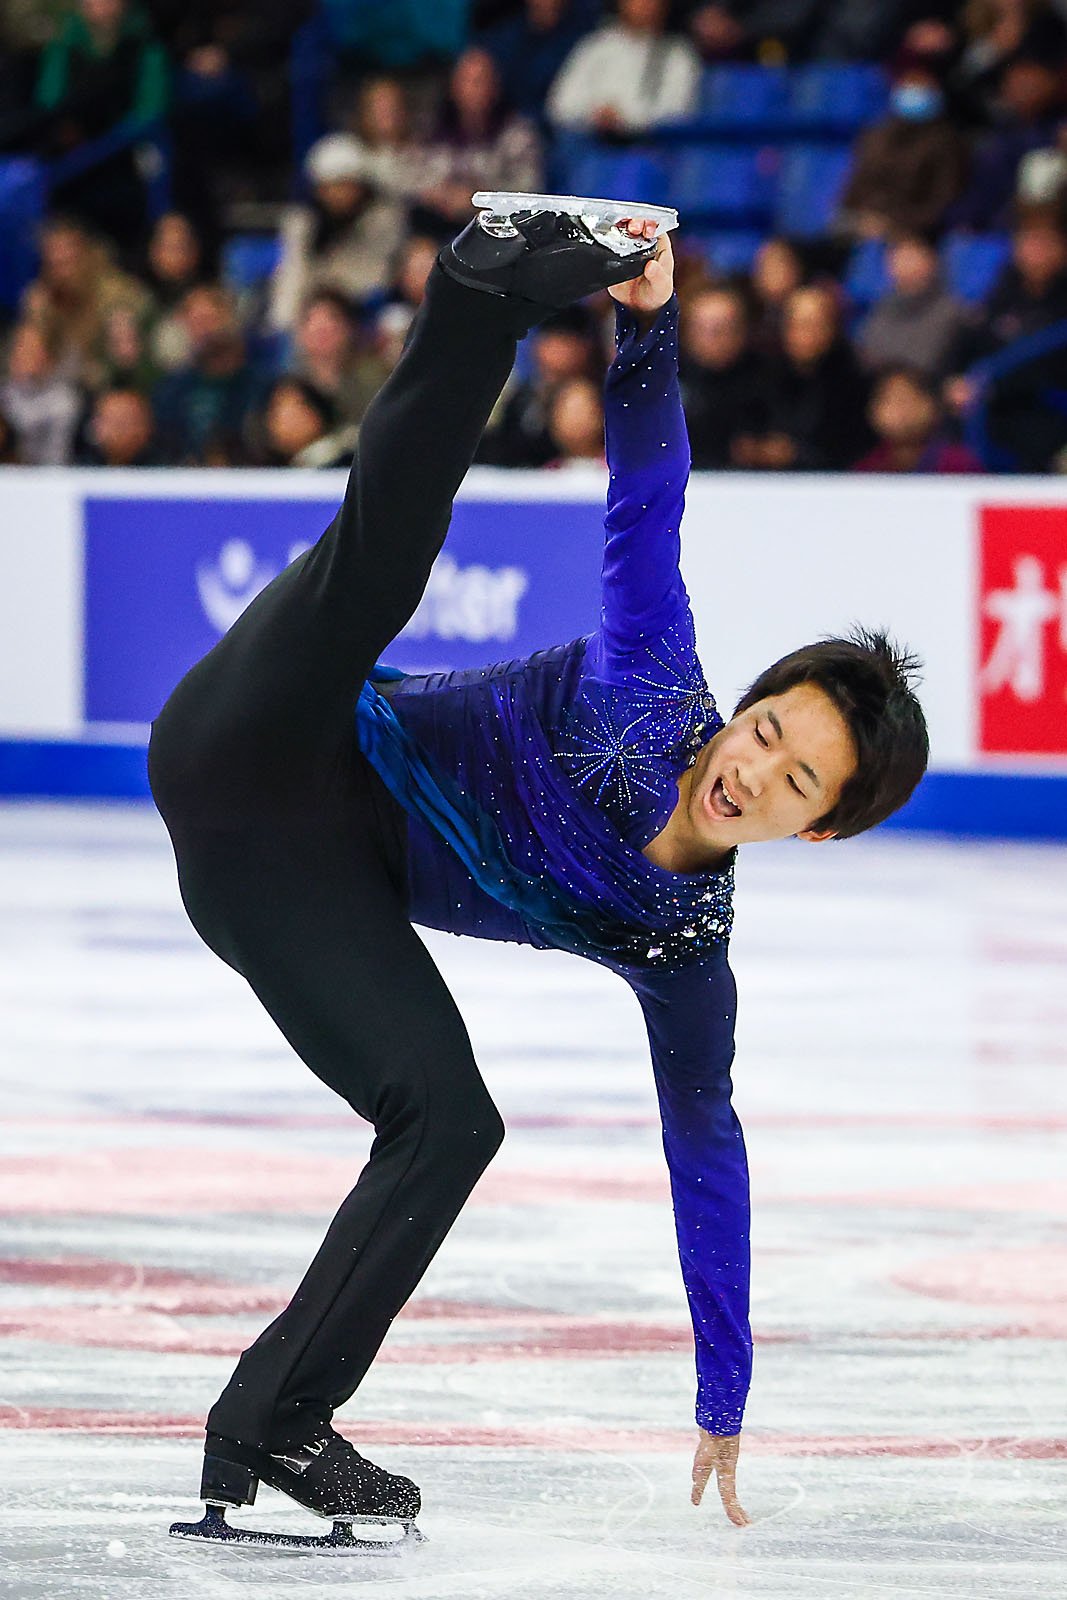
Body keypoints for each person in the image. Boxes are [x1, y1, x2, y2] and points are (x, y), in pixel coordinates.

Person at [149, 201, 928, 1544]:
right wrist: (643, 329)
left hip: (287, 880)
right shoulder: (649, 680)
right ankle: (480, 286)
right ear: (742, 706)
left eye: (792, 781)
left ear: (817, 828)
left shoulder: (679, 945)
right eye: (762, 731)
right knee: (380, 563)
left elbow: (706, 1153)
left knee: (451, 1122)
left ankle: (274, 1419)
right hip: (266, 726)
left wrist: (722, 1391)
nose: (746, 769)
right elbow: (647, 495)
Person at [268, 134, 407, 334]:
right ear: (318, 189)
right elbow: (292, 272)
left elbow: (376, 280)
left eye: (346, 184)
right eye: (331, 186)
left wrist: (332, 302)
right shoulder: (303, 223)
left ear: (362, 186)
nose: (339, 194)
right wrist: (282, 326)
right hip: (312, 311)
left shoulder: (383, 220)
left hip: (365, 312)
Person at [739, 284, 874, 469]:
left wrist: (796, 454)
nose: (805, 334)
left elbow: (852, 448)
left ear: (832, 328)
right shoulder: (763, 375)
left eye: (815, 324)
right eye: (798, 324)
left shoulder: (854, 382)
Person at [415, 46, 544, 237]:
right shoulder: (433, 131)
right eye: (466, 81)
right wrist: (441, 194)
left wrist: (477, 199)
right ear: (454, 86)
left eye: (480, 81)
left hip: (499, 232)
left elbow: (530, 191)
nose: (474, 89)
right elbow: (411, 177)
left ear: (495, 86)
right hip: (437, 225)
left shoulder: (519, 134)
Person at [838, 58, 969, 239]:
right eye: (910, 85)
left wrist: (891, 223)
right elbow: (854, 189)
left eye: (922, 86)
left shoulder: (947, 142)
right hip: (861, 226)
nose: (914, 91)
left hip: (911, 234)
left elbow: (942, 202)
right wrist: (857, 218)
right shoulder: (875, 135)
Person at [547, 0, 701, 135]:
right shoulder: (596, 45)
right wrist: (594, 114)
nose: (644, 4)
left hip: (650, 150)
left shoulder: (678, 54)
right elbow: (560, 106)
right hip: (590, 145)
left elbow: (678, 113)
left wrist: (624, 119)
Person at [855, 231, 968, 381]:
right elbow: (864, 351)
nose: (900, 261)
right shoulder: (883, 303)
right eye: (896, 252)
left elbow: (924, 363)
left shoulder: (951, 311)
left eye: (910, 254)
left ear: (933, 259)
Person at [678, 284, 769, 470]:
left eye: (723, 329)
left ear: (742, 331)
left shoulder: (767, 381)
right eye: (705, 330)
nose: (715, 339)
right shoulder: (667, 381)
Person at [854, 365, 985, 472]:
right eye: (889, 399)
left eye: (909, 398)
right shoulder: (866, 470)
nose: (900, 410)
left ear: (932, 405)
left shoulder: (961, 466)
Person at [0, 318, 81, 465]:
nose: (21, 355)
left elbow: (56, 459)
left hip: (44, 478)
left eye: (31, 349)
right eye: (18, 347)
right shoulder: (4, 392)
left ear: (49, 358)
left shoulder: (63, 400)